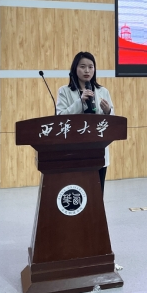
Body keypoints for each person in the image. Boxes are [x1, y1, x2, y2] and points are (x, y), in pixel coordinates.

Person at [56, 51, 114, 195]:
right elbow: (60, 118)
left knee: (96, 195)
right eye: (82, 66)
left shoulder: (103, 91)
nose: (87, 70)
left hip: (98, 151)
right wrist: (80, 101)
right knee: (77, 194)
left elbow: (112, 122)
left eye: (90, 67)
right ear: (75, 69)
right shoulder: (64, 91)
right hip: (74, 152)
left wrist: (108, 111)